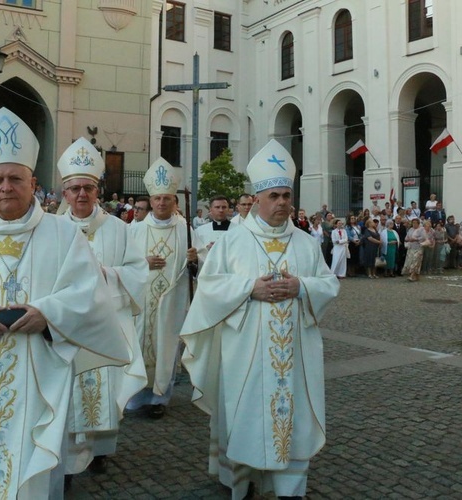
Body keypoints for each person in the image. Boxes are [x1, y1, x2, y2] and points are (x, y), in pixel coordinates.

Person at [0, 108, 129, 498]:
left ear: (33, 182)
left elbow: (90, 293)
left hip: (38, 371)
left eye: (16, 178)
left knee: (32, 468)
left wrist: (48, 313)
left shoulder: (64, 234)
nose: (6, 187)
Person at [180, 139, 339, 500]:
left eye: (287, 195)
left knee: (292, 423)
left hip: (294, 357)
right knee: (247, 419)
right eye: (275, 196)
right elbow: (209, 287)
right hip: (246, 356)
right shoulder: (233, 241)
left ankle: (289, 489)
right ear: (257, 199)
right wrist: (249, 289)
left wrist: (302, 286)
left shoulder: (306, 243)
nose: (283, 202)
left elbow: (328, 284)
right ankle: (243, 483)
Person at [57, 138, 147, 478]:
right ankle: (65, 462)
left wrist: (105, 277)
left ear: (98, 191)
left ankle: (100, 451)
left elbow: (138, 273)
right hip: (67, 329)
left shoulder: (119, 229)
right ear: (64, 193)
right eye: (75, 188)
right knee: (66, 394)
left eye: (89, 188)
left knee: (104, 391)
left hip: (105, 326)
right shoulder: (51, 231)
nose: (82, 194)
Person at [128, 157, 202, 419]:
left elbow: (201, 267)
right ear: (151, 201)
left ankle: (160, 398)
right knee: (139, 345)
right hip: (142, 302)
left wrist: (196, 260)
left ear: (174, 201)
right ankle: (134, 398)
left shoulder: (187, 230)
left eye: (166, 199)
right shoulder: (135, 230)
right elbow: (124, 265)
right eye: (157, 199)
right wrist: (142, 263)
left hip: (172, 301)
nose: (161, 203)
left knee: (166, 347)